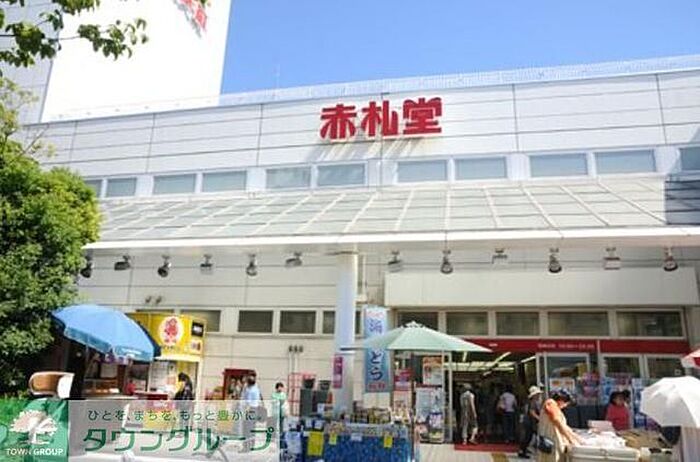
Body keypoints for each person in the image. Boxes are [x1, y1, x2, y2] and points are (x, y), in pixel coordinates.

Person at [537, 389, 582, 462]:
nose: (565, 406)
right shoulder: (551, 403)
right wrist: (570, 439)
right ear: (561, 400)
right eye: (566, 403)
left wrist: (576, 438)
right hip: (550, 443)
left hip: (554, 443)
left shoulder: (556, 408)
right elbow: (559, 424)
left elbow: (564, 426)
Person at [518, 385, 543, 459]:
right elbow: (532, 412)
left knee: (528, 437)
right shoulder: (533, 402)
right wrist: (539, 418)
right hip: (529, 422)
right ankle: (523, 451)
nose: (539, 395)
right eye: (537, 394)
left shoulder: (531, 401)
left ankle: (523, 450)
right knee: (528, 437)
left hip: (529, 422)